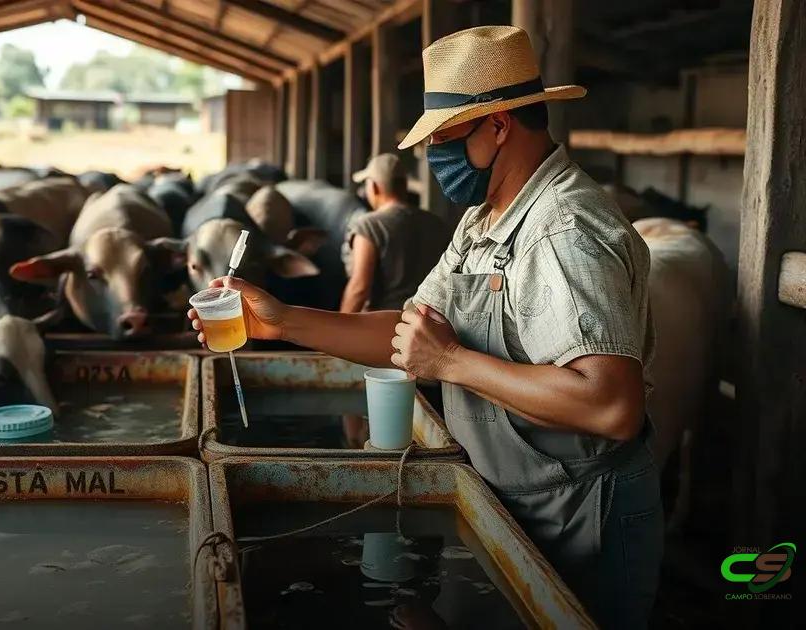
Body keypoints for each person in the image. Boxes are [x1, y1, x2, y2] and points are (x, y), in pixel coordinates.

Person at [189, 26, 662, 629]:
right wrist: (283, 322)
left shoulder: (562, 232)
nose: (433, 154)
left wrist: (450, 364)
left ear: (498, 126)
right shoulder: (484, 220)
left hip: (584, 513)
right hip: (519, 494)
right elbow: (409, 331)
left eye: (445, 136)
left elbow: (609, 405)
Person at [342, 153, 449, 312]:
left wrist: (341, 330)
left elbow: (359, 289)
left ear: (374, 187)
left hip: (380, 326)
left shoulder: (369, 225)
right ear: (404, 185)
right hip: (428, 323)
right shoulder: (436, 224)